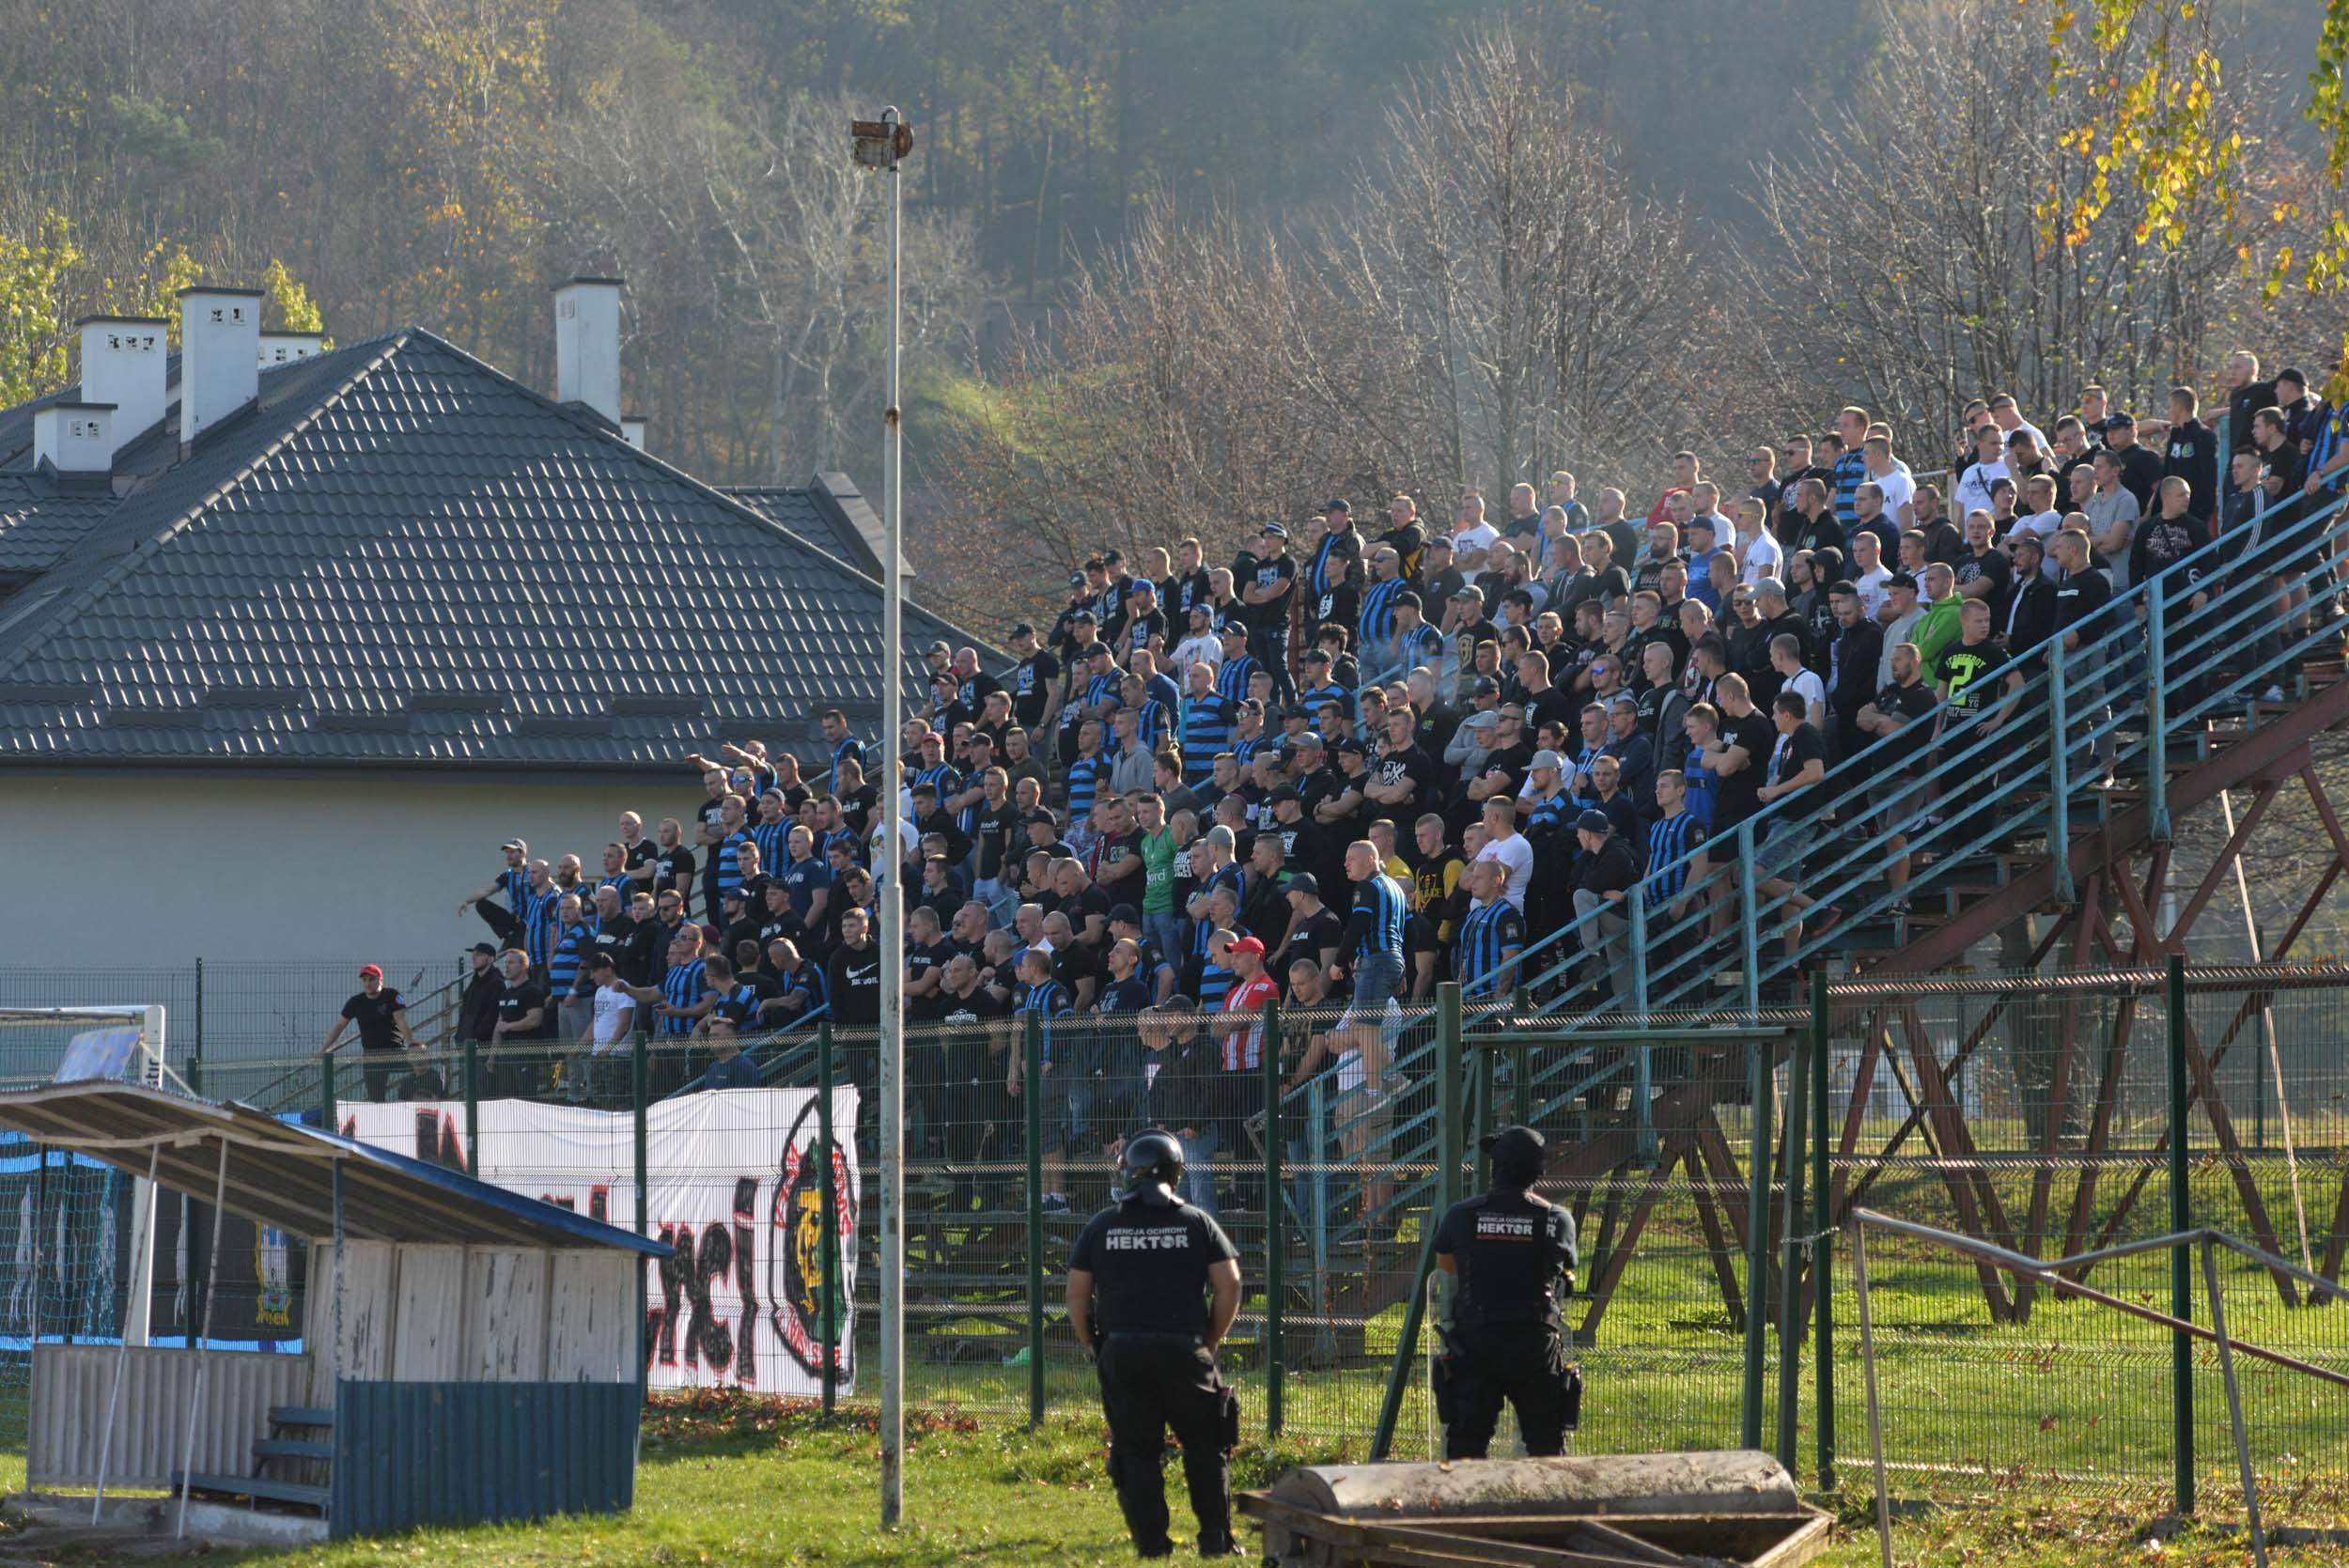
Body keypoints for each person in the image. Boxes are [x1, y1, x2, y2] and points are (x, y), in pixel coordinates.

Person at [1066, 1132, 1244, 1559]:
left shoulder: (1102, 1225)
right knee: (1206, 1446)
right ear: (1177, 1172)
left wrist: (1092, 1342)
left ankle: (1152, 1546)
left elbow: (1076, 1295)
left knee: (1136, 1453)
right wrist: (1211, 1340)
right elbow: (1230, 1284)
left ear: (1128, 1173)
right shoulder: (1197, 1222)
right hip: (1186, 1350)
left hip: (1122, 1351)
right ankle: (1216, 1540)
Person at [1431, 1125, 1579, 1460]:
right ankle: (1549, 1510)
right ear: (1538, 1172)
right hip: (1535, 1345)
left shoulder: (1462, 1215)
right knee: (1546, 1448)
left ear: (1496, 1168)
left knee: (1465, 1448)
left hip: (1475, 1344)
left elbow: (1446, 1266)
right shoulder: (1557, 1220)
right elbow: (1565, 1270)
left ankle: (1462, 1509)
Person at [321, 962, 422, 1104]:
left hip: (394, 1052)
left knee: (421, 1064)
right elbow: (339, 1025)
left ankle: (407, 1096)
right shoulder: (356, 1002)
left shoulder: (392, 995)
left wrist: (412, 1044)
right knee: (376, 1101)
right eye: (364, 980)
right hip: (371, 1056)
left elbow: (401, 1020)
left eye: (372, 979)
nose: (368, 983)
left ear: (381, 980)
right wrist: (324, 1048)